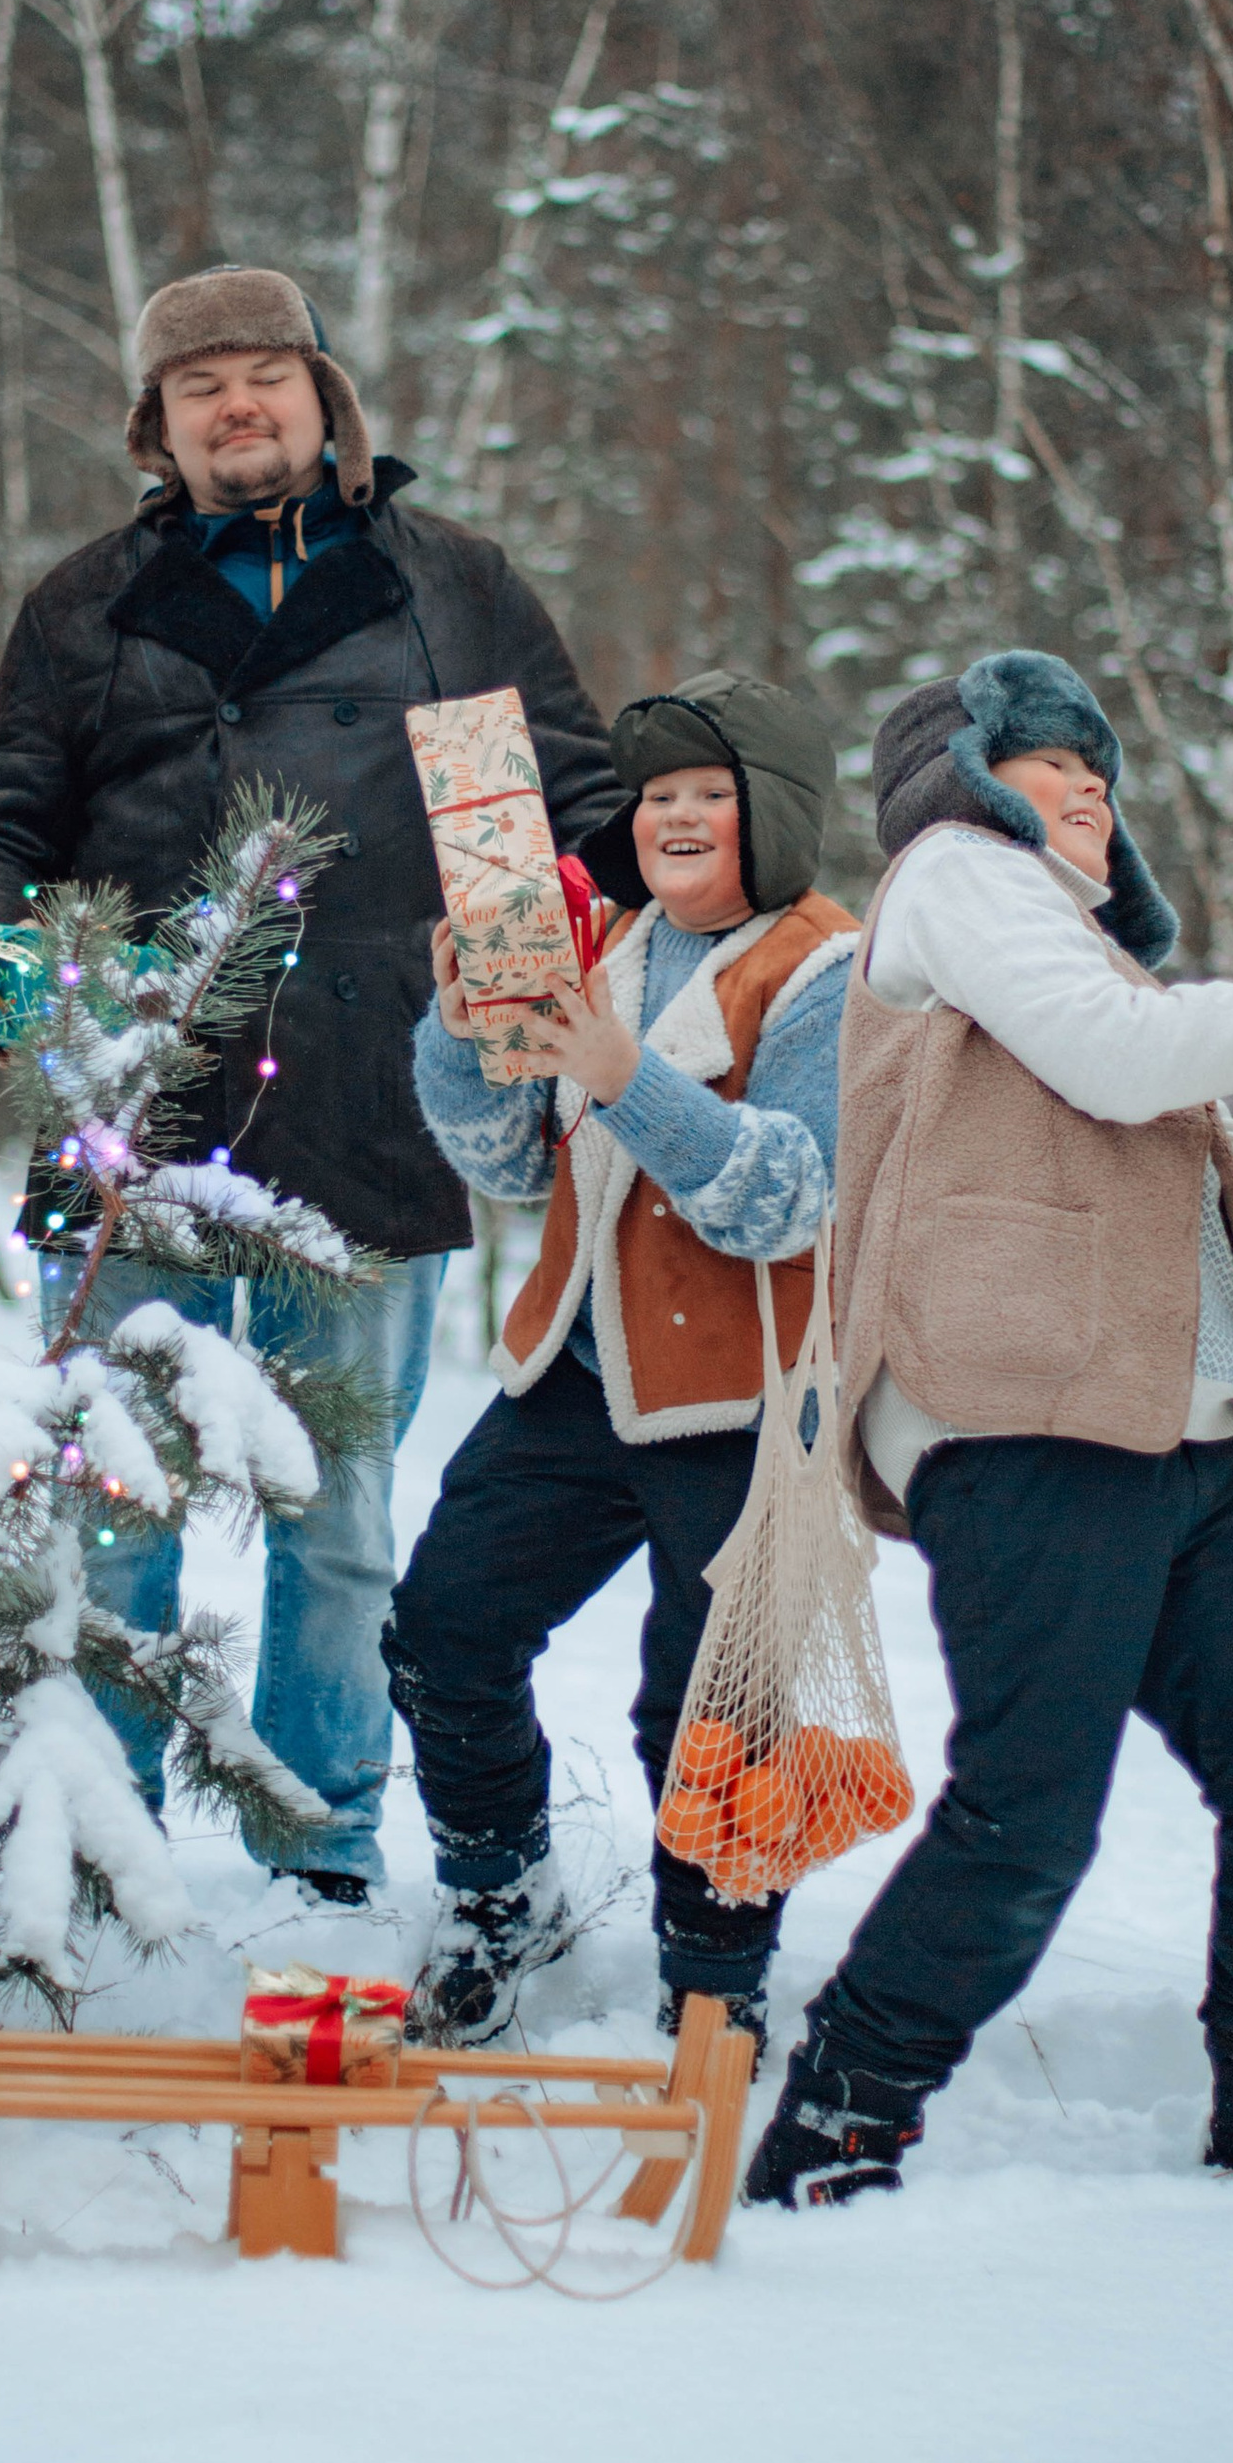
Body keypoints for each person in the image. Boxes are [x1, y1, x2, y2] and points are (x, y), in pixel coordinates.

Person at [741, 648, 1233, 2211]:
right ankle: (838, 2122)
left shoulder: (1098, 975)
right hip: (1032, 1420)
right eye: (1046, 758)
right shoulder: (957, 879)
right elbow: (1120, 1057)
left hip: (1198, 1441)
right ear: (961, 779)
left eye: (1103, 771)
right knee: (1029, 1818)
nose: (1089, 782)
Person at [0, 263, 634, 1902]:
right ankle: (101, 1844)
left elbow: (571, 800)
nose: (238, 407)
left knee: (339, 1515)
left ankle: (322, 1842)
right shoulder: (82, 604)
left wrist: (682, 937)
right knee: (116, 1502)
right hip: (136, 1109)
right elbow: (2, 822)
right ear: (157, 427)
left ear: (328, 401)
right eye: (202, 387)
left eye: (268, 376)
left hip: (379, 1098)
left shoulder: (450, 586)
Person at [385, 674, 856, 2048]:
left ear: (770, 815)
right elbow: (504, 1162)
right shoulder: (603, 946)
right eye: (656, 798)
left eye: (708, 792)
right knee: (443, 1635)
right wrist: (461, 1028)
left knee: (709, 1714)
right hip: (577, 1379)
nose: (676, 817)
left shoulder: (830, 969)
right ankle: (497, 1896)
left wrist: (619, 1072)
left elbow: (786, 1197)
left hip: (742, 1399)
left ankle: (715, 1977)